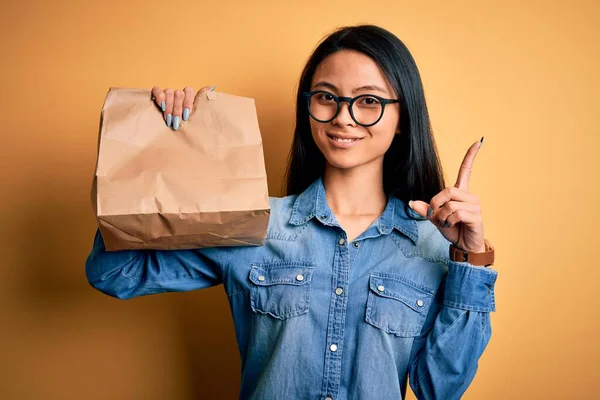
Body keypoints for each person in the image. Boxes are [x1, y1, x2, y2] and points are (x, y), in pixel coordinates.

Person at [86, 24, 497, 400]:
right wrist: (165, 143)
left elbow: (439, 389)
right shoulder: (252, 222)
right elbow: (114, 274)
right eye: (326, 97)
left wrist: (472, 262)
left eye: (368, 101)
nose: (342, 117)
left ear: (402, 117)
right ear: (308, 107)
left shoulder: (433, 245)